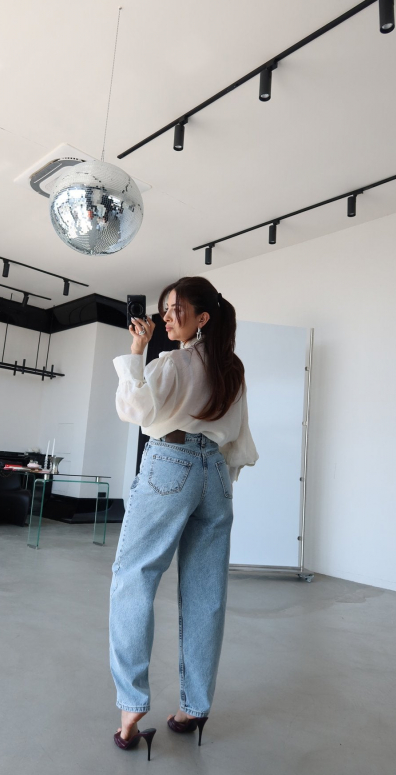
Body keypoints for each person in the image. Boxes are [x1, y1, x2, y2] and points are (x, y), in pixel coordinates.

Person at [109, 276, 259, 760]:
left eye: (177, 309)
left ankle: (131, 710)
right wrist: (214, 486)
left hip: (169, 463)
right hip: (215, 472)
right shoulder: (232, 369)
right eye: (165, 309)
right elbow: (238, 438)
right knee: (206, 592)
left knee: (134, 577)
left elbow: (133, 409)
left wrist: (137, 349)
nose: (167, 317)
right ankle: (194, 708)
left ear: (203, 318)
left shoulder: (172, 362)